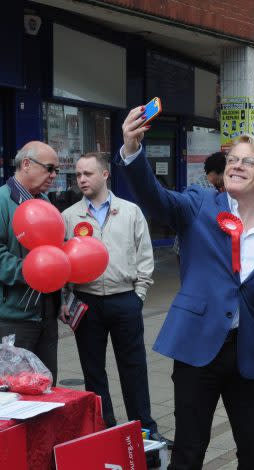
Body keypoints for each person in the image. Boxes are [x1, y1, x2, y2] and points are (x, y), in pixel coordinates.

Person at [117, 105, 254, 470]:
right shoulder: (198, 205)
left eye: (248, 162)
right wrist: (132, 150)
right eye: (233, 159)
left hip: (251, 355)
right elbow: (155, 198)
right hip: (198, 348)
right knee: (189, 449)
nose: (237, 165)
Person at [60, 152, 168, 444]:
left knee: (133, 366)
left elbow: (145, 254)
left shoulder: (130, 211)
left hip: (125, 300)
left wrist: (140, 294)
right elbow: (62, 262)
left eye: (88, 174)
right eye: (78, 175)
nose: (82, 179)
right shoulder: (69, 216)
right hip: (86, 301)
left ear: (105, 175)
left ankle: (143, 426)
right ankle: (104, 426)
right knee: (92, 370)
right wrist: (65, 298)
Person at [0, 141, 61, 381]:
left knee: (45, 385)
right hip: (12, 318)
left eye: (56, 170)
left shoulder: (44, 202)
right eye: (49, 168)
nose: (54, 175)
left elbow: (53, 253)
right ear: (26, 164)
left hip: (46, 314)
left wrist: (60, 297)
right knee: (13, 389)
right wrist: (31, 272)